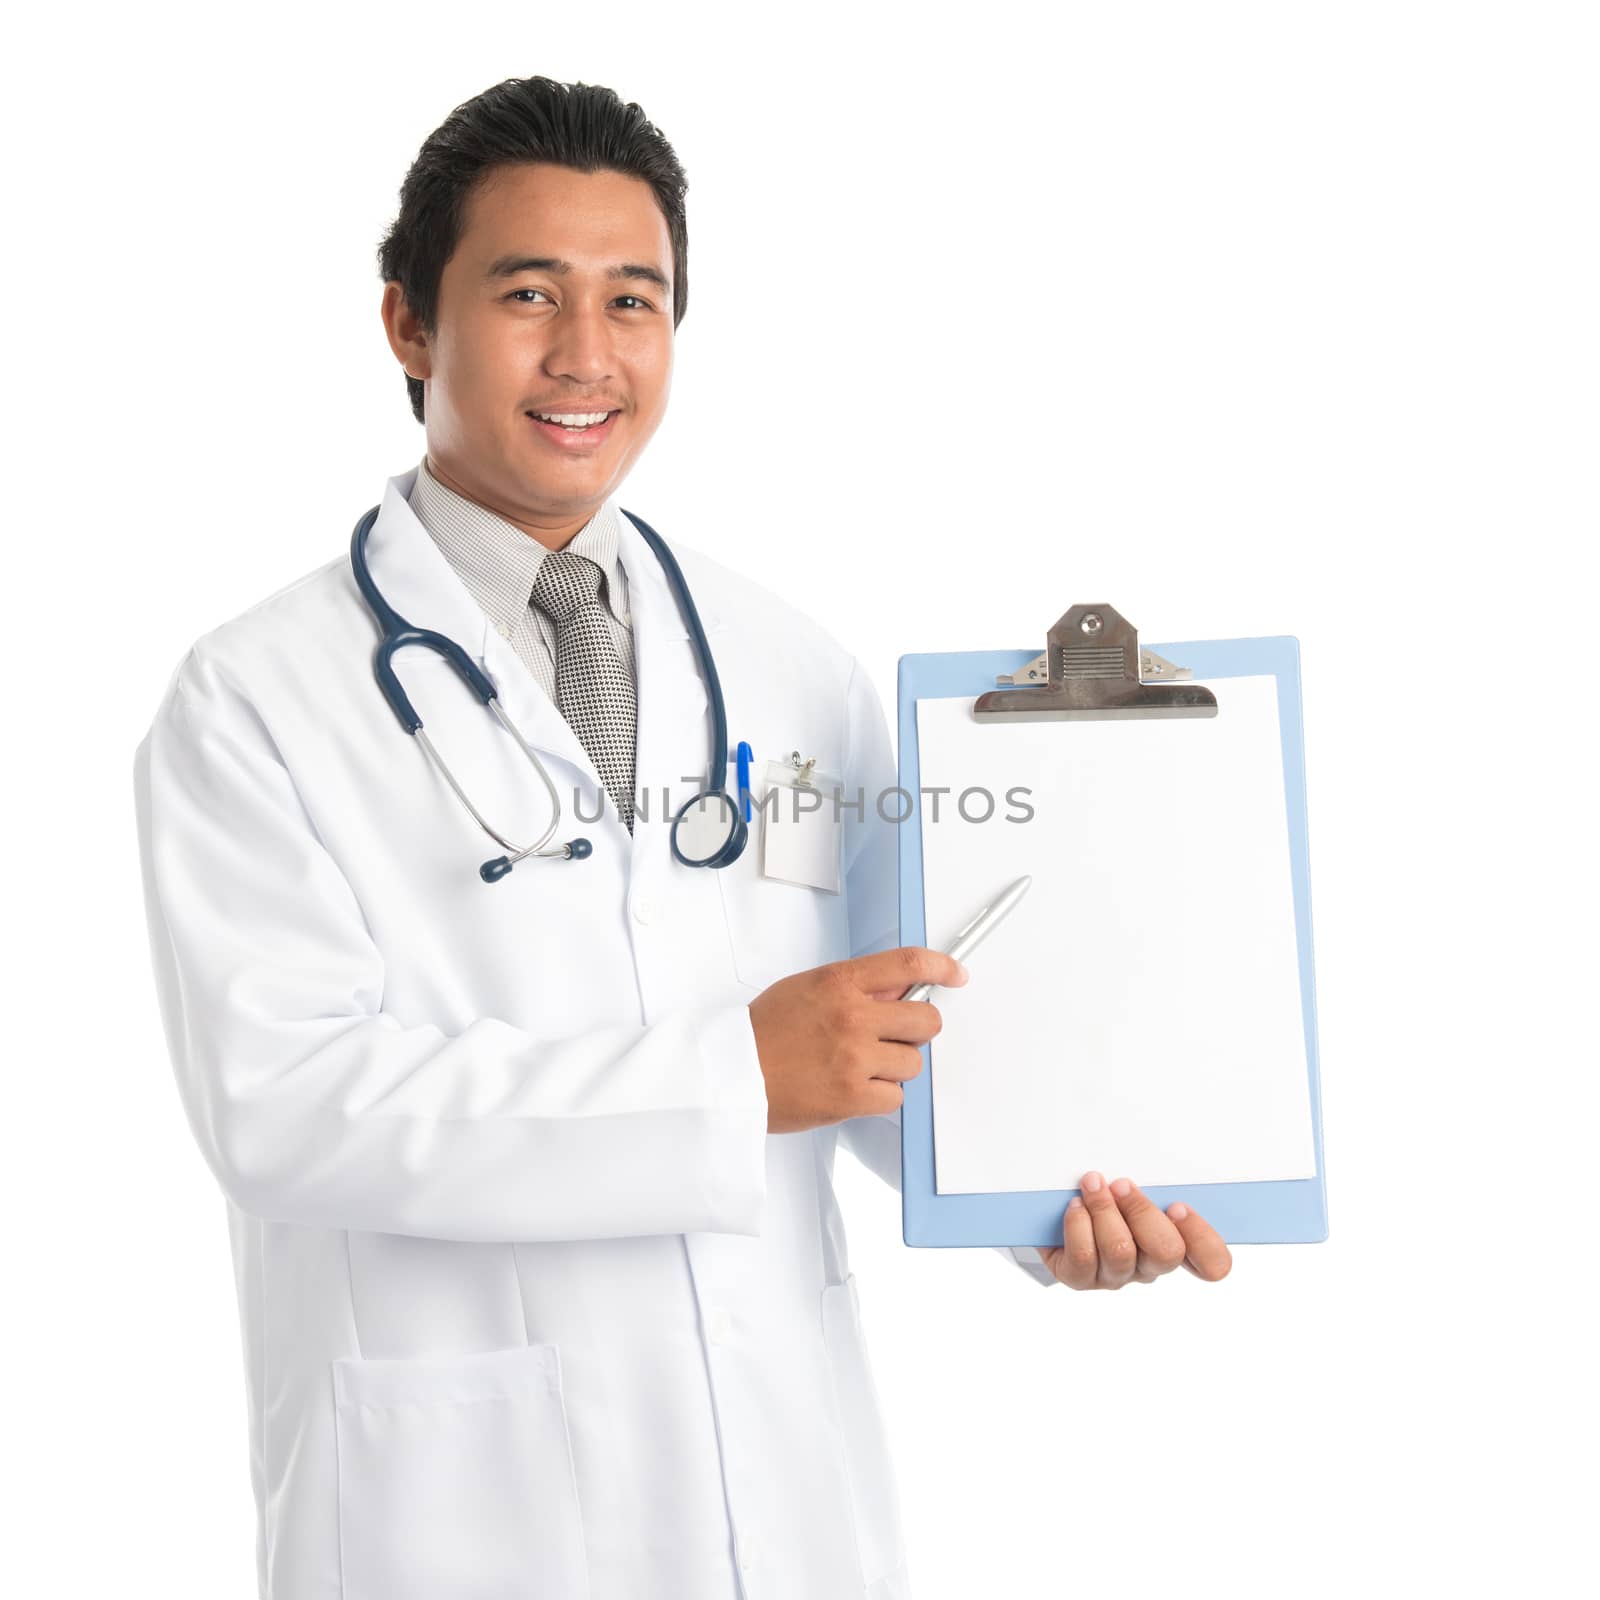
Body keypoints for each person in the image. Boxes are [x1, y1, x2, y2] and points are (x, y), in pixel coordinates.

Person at [132, 74, 1232, 1600]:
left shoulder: (784, 665)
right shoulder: (256, 700)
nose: (586, 357)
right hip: (460, 1510)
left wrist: (1034, 1201)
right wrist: (729, 1079)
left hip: (780, 1498)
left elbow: (878, 1036)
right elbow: (289, 1103)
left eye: (633, 302)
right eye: (529, 295)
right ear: (406, 324)